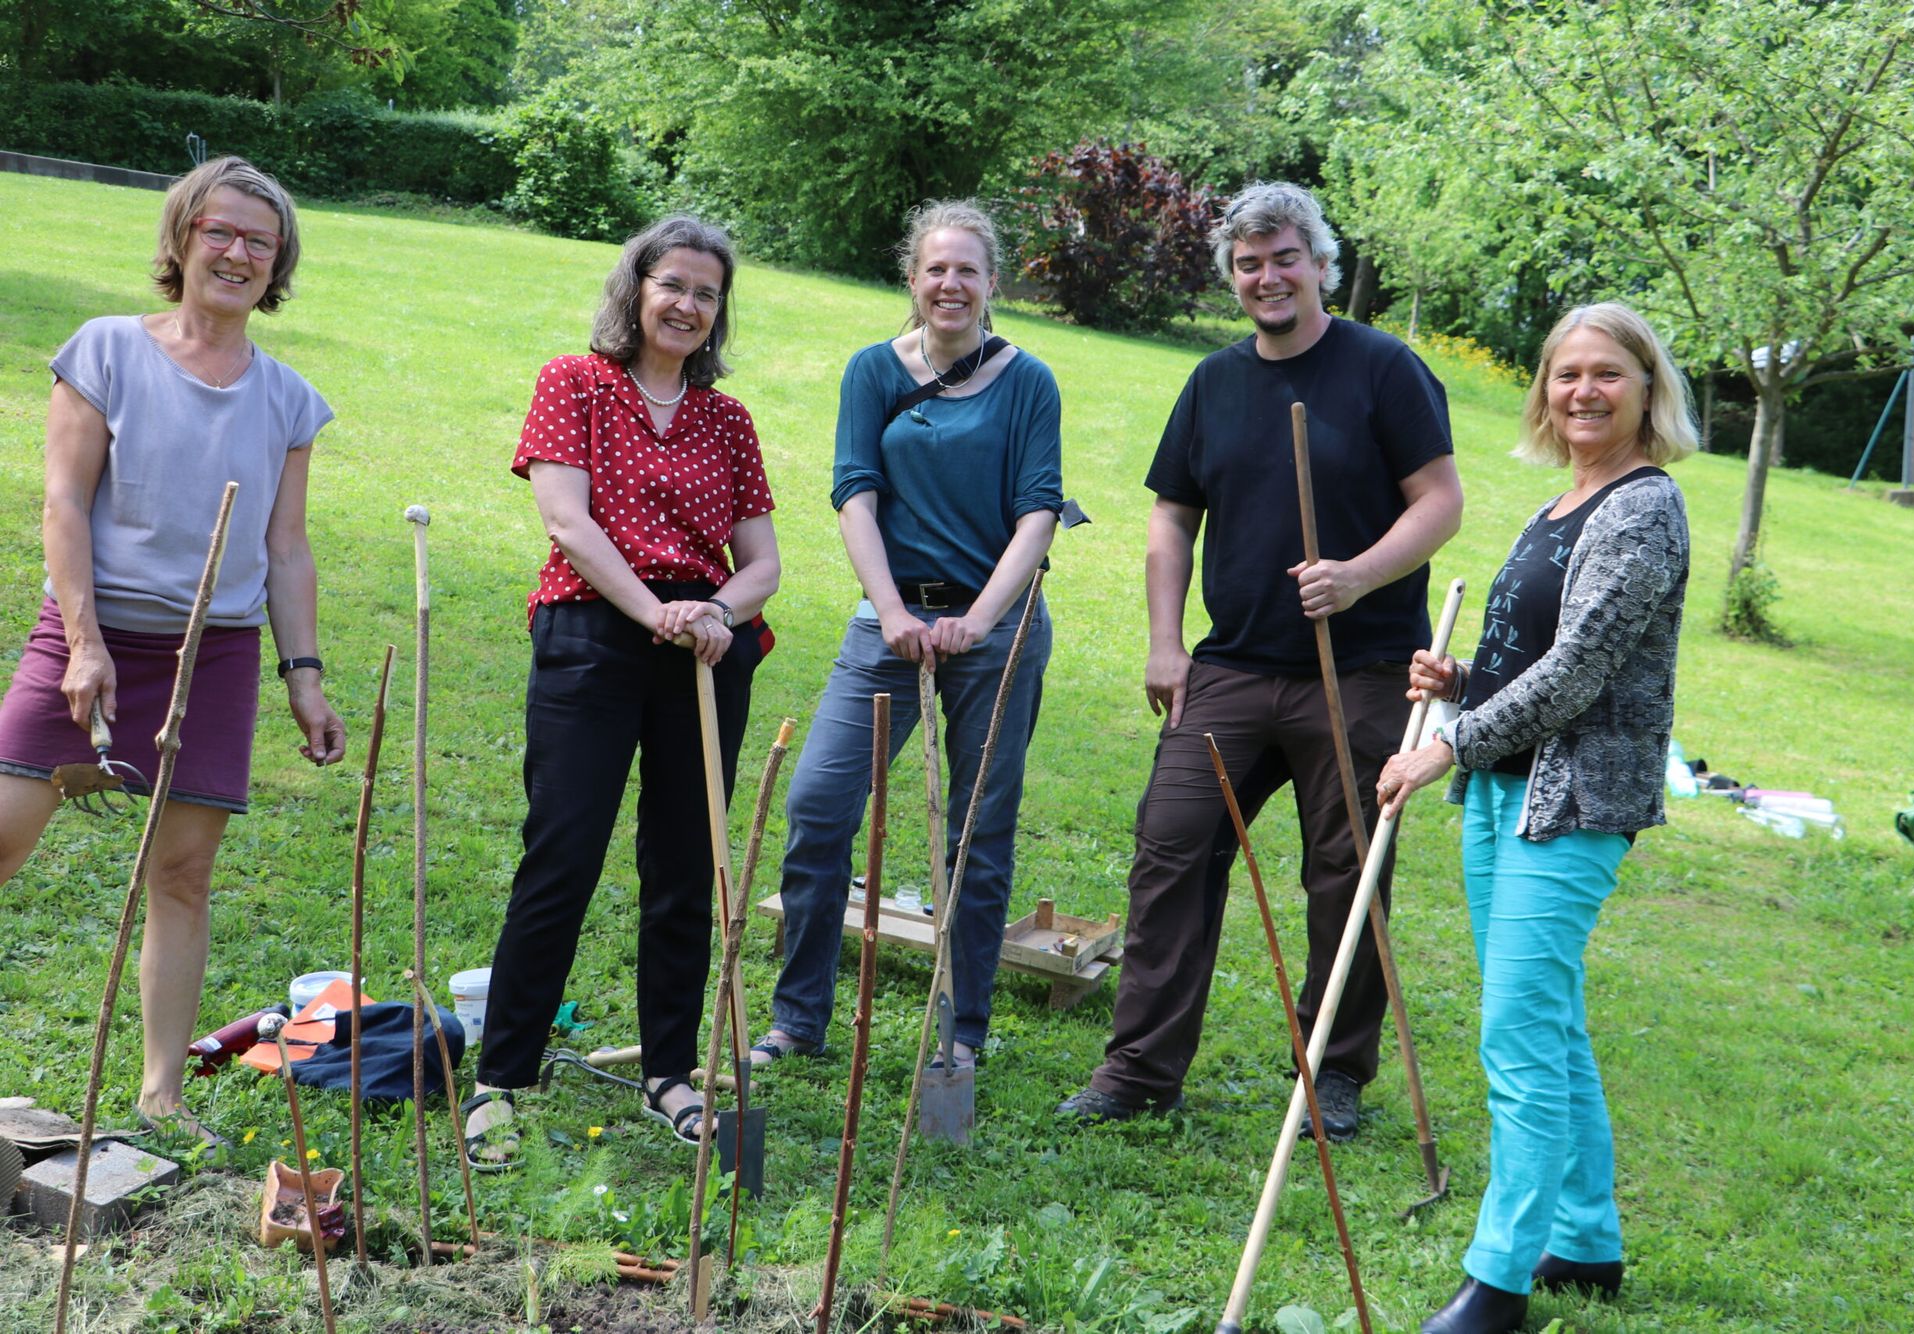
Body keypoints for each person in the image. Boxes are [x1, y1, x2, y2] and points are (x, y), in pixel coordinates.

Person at [1056, 181, 1462, 1135]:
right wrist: (1164, 643)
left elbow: (1439, 500)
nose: (1268, 277)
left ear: (1319, 264)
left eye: (1286, 258)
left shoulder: (1383, 369)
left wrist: (1358, 576)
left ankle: (1333, 1073)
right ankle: (1139, 1070)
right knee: (1172, 846)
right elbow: (1172, 515)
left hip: (1356, 670)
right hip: (1231, 667)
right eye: (1249, 264)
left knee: (1346, 870)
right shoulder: (1215, 382)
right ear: (1232, 278)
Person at [0, 156, 346, 1144]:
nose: (237, 252)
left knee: (183, 872)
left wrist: (304, 677)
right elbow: (63, 501)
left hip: (215, 653)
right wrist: (83, 641)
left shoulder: (287, 400)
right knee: (4, 831)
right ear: (183, 239)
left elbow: (285, 546)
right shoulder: (106, 350)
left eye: (259, 241)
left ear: (276, 265)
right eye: (220, 233)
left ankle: (161, 1094)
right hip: (89, 638)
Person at [1377, 303, 1695, 1333]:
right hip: (1501, 793)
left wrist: (1443, 743)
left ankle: (1498, 1277)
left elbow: (1579, 670)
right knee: (1544, 1018)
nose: (1582, 391)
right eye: (1565, 374)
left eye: (1606, 372)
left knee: (1514, 1031)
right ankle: (1586, 1239)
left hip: (1571, 804)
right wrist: (1461, 680)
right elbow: (1527, 660)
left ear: (1646, 387)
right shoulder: (1561, 502)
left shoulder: (1644, 509)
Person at [461, 216, 779, 1164]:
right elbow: (566, 519)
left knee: (688, 864)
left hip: (708, 648)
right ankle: (499, 1081)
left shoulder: (729, 419)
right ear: (636, 289)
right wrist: (656, 612)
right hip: (595, 632)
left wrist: (713, 611)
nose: (688, 305)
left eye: (707, 293)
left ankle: (671, 1074)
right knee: (561, 854)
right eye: (673, 284)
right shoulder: (576, 382)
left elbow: (762, 561)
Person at [753, 199, 1060, 1071]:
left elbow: (1039, 513)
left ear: (992, 283)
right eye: (935, 268)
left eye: (968, 270)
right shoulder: (872, 371)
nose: (950, 284)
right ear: (912, 279)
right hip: (886, 620)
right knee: (817, 804)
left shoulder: (1029, 380)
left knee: (975, 829)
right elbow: (855, 491)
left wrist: (978, 621)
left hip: (995, 631)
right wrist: (892, 613)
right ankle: (798, 1019)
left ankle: (961, 1031)